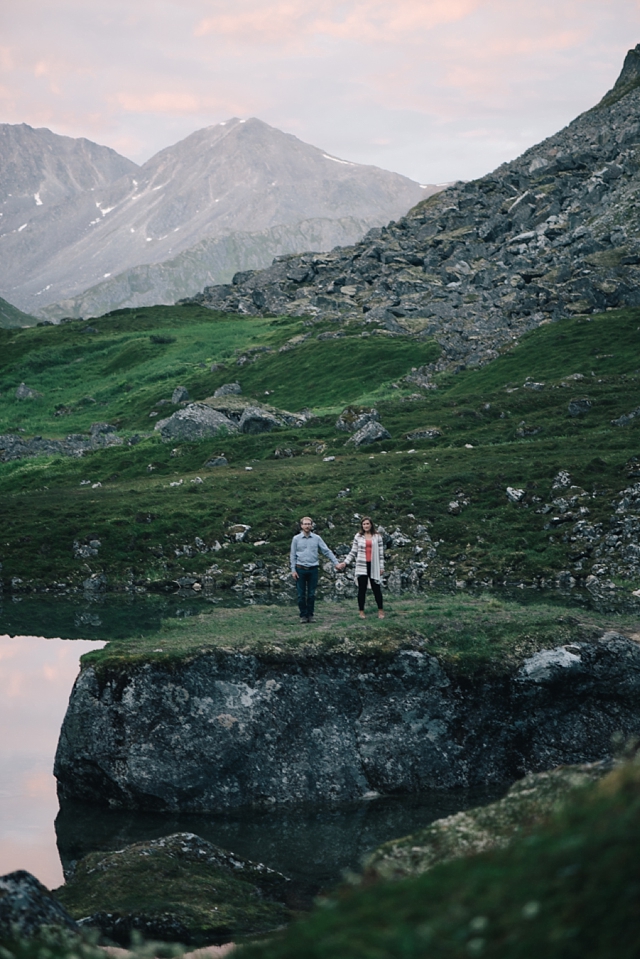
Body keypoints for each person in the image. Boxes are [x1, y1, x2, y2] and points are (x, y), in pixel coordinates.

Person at [290, 516, 341, 622]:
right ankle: (303, 615)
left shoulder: (317, 538)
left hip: (313, 569)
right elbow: (293, 555)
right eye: (305, 524)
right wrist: (293, 570)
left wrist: (335, 562)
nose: (307, 526)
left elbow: (326, 551)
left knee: (311, 594)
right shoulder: (296, 539)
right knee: (301, 594)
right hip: (300, 569)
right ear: (301, 525)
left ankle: (310, 615)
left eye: (309, 524)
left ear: (311, 525)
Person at [341, 516, 385, 619]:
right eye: (364, 524)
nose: (366, 526)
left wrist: (381, 567)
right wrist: (345, 562)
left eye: (367, 524)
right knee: (362, 589)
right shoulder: (358, 536)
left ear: (371, 525)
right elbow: (353, 551)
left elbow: (381, 553)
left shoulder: (377, 536)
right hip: (361, 565)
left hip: (374, 565)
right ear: (362, 525)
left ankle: (380, 610)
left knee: (376, 589)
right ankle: (361, 611)